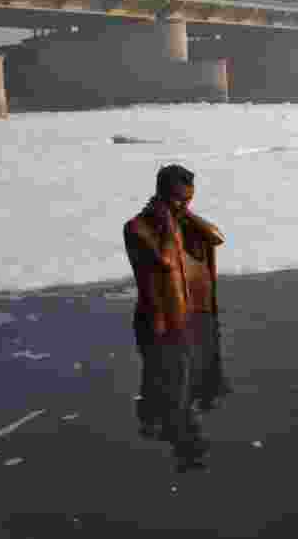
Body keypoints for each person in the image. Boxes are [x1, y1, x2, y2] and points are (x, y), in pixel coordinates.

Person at [122, 164, 231, 467]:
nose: (184, 205)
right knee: (165, 383)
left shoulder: (185, 220)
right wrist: (169, 225)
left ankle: (189, 399)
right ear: (161, 195)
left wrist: (186, 216)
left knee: (190, 379)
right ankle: (171, 409)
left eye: (189, 199)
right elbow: (167, 262)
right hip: (160, 323)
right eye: (179, 199)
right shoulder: (137, 227)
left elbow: (217, 237)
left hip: (192, 318)